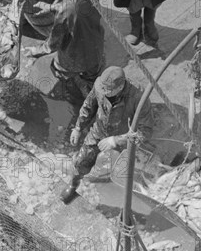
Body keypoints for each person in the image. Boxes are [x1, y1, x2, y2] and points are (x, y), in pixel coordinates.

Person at [61, 66, 154, 204]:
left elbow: (145, 131)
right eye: (102, 89)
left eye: (108, 90)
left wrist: (116, 140)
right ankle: (73, 184)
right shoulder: (100, 87)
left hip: (124, 138)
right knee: (81, 161)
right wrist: (78, 127)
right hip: (99, 131)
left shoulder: (138, 97)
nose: (103, 92)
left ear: (120, 87)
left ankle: (125, 200)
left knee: (129, 174)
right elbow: (88, 105)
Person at [26, 0, 105, 99]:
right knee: (92, 75)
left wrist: (36, 50)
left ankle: (76, 85)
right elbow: (75, 7)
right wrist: (51, 7)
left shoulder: (68, 7)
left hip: (75, 56)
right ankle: (91, 88)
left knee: (56, 69)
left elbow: (54, 42)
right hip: (96, 47)